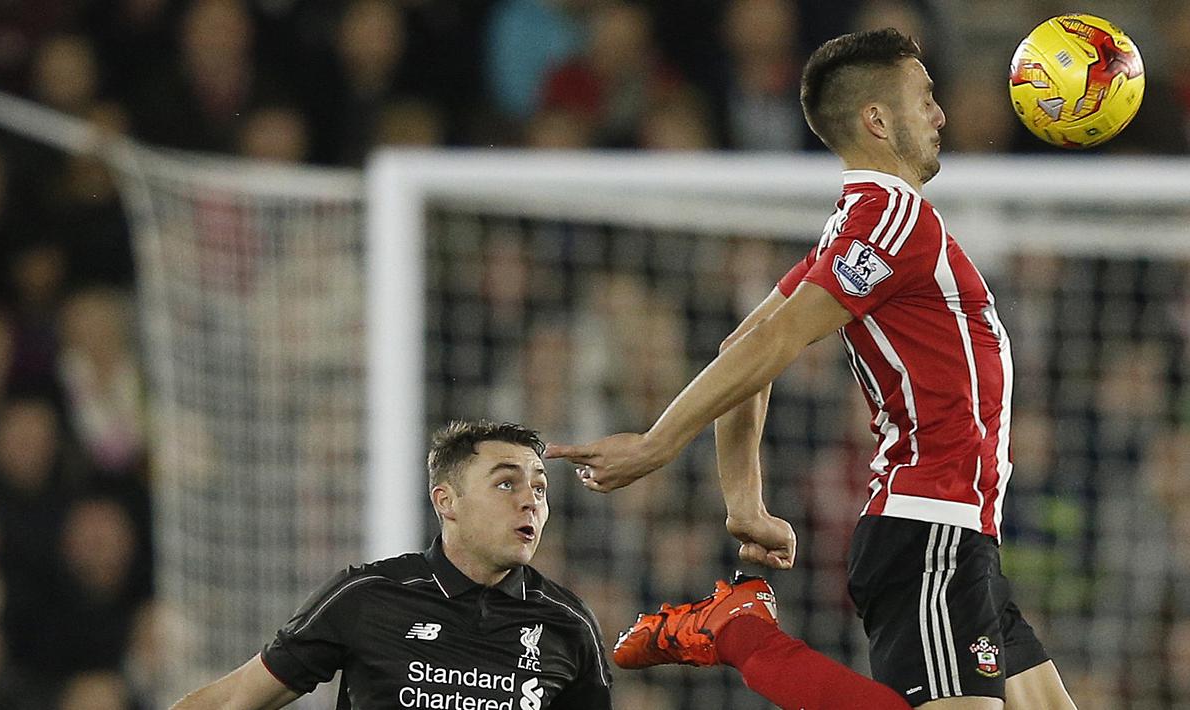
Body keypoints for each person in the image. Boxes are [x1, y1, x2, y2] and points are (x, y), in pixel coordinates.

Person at [546, 28, 1077, 710]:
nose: (940, 115)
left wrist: (744, 504)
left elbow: (745, 344)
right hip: (928, 528)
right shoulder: (889, 218)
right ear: (876, 120)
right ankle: (744, 635)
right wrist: (657, 442)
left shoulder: (853, 229)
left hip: (960, 533)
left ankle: (736, 624)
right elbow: (767, 345)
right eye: (925, 98)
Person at [171, 420, 613, 709]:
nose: (529, 502)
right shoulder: (368, 596)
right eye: (505, 484)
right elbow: (233, 701)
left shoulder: (567, 624)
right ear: (447, 501)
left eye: (539, 489)